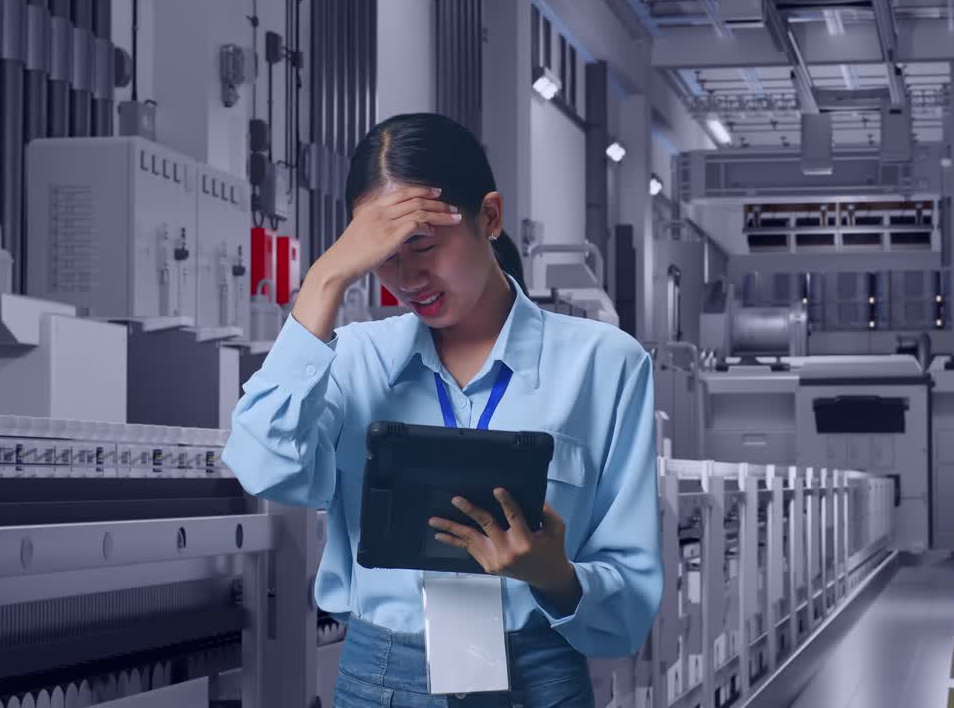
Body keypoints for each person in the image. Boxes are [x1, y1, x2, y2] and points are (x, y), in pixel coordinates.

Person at [222, 113, 661, 707]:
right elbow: (264, 465)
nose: (407, 278)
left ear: (490, 216)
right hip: (383, 680)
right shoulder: (353, 360)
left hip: (538, 676)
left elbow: (630, 604)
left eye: (423, 246)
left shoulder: (606, 366)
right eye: (382, 257)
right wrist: (324, 281)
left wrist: (553, 573)